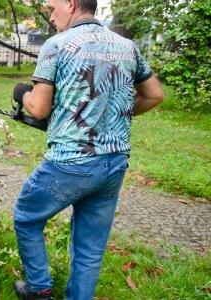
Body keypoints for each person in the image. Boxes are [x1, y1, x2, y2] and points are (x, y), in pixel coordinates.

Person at [9, 0, 165, 299]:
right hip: (114, 163)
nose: (51, 15)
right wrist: (116, 113)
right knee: (90, 249)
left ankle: (39, 290)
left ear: (70, 4)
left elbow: (39, 108)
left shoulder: (57, 45)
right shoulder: (127, 46)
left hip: (70, 163)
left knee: (26, 217)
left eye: (53, 8)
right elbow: (154, 95)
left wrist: (24, 94)